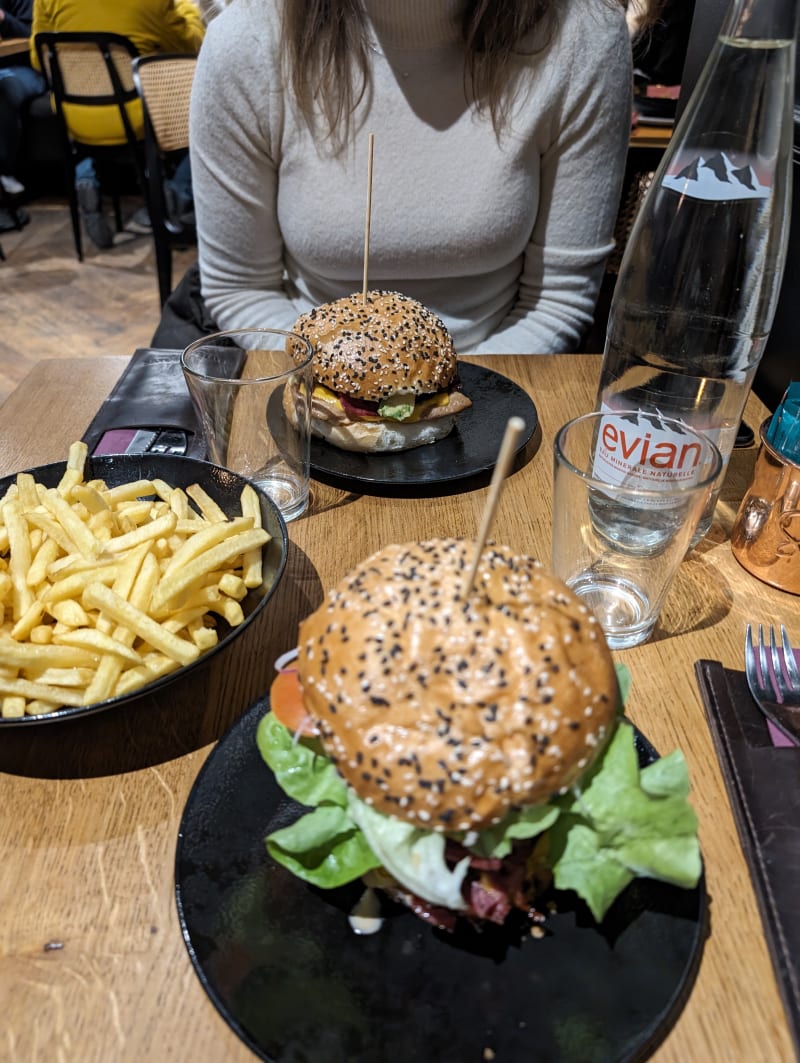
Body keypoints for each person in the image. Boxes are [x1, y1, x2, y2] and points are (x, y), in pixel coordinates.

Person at [157, 0, 633, 355]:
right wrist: (334, 384)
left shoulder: (583, 38)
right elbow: (242, 288)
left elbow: (559, 302)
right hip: (305, 371)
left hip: (503, 378)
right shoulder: (248, 41)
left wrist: (444, 398)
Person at [29, 0, 205, 249]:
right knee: (208, 110)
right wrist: (187, 7)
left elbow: (38, 58)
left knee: (97, 109)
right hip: (137, 117)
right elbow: (190, 44)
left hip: (73, 117)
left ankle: (86, 177)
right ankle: (173, 195)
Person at [0, 0, 46, 228]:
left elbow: (33, 37)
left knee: (2, 90)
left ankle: (4, 175)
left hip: (23, 68)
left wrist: (4, 19)